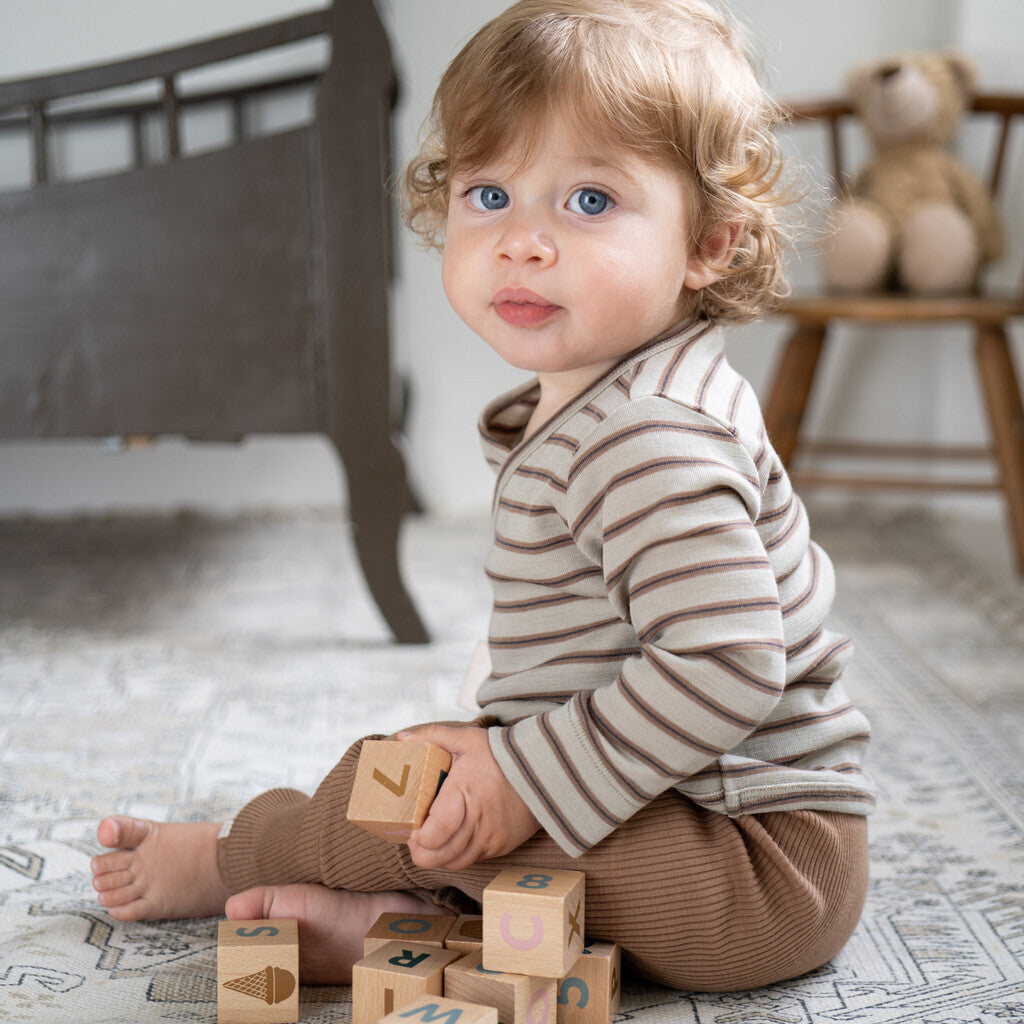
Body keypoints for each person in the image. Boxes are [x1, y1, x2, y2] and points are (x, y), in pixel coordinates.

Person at [91, 0, 875, 993]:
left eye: (589, 202)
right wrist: (503, 751)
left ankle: (233, 854)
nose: (523, 241)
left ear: (708, 244)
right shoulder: (612, 396)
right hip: (689, 816)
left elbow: (726, 661)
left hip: (752, 869)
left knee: (409, 805)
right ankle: (397, 929)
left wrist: (518, 772)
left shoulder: (650, 438)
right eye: (489, 194)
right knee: (430, 777)